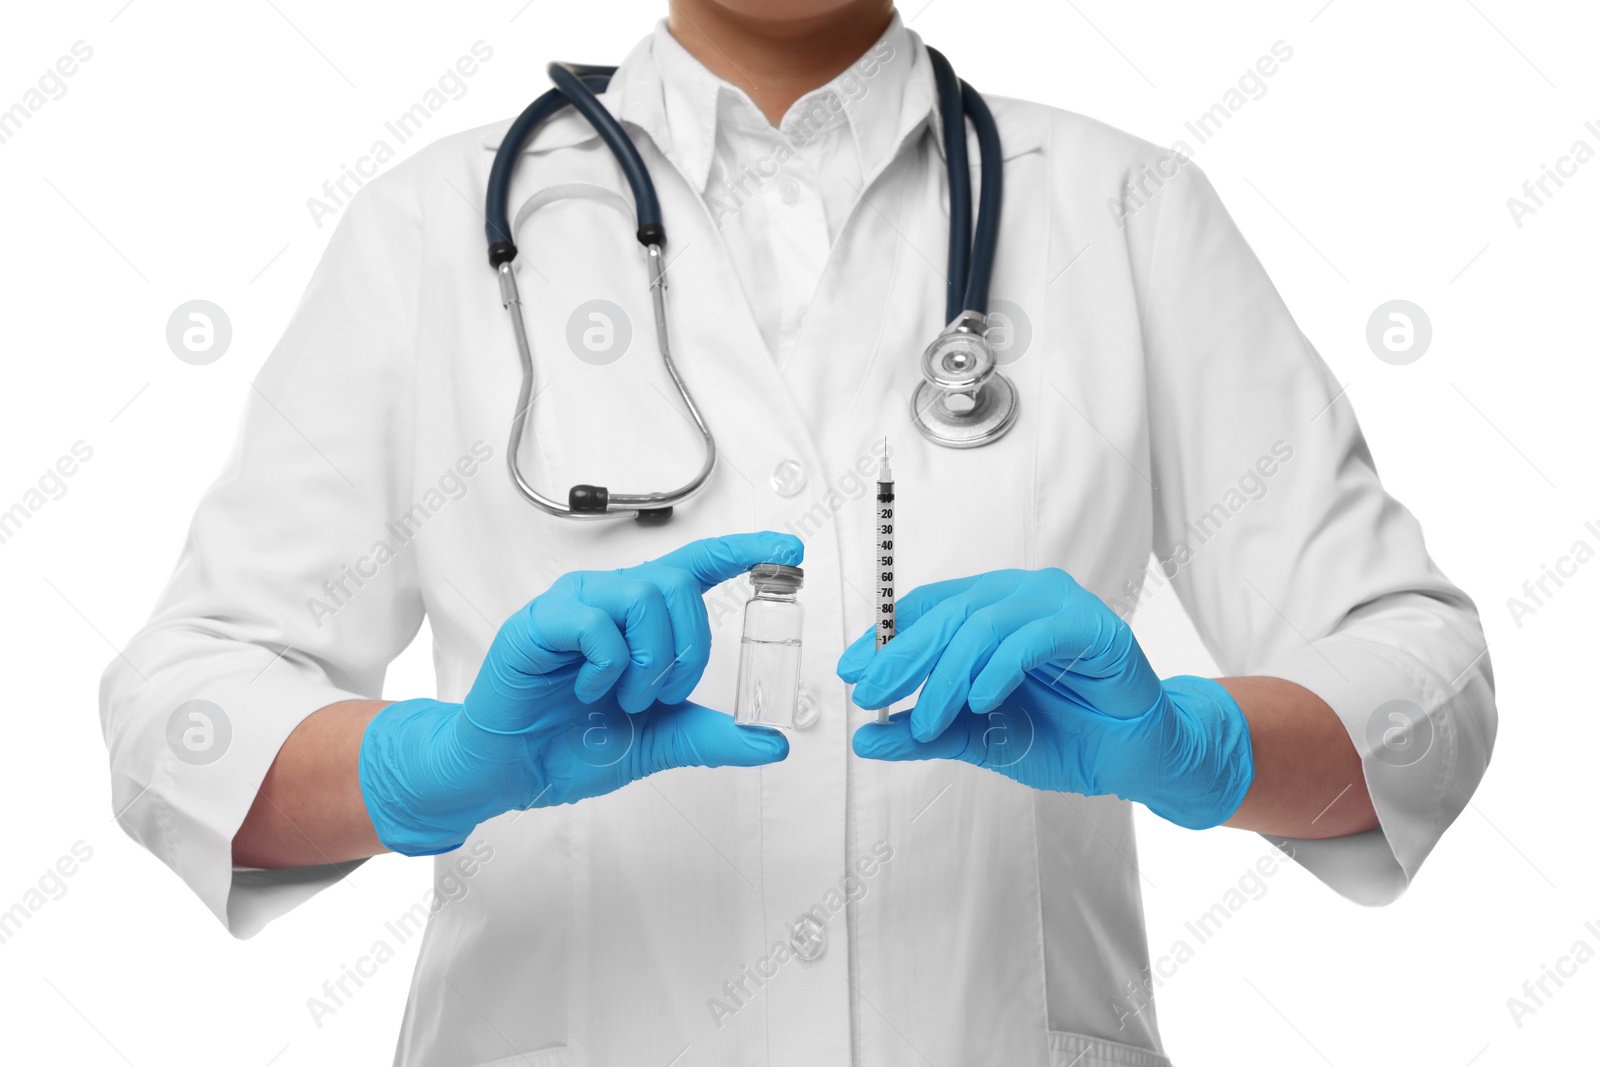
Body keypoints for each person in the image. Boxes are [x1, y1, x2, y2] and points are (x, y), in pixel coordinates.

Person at [100, 2, 1496, 1064]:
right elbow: (185, 710)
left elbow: (1421, 675)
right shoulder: (433, 231)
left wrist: (1201, 746)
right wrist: (435, 765)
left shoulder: (1125, 214)